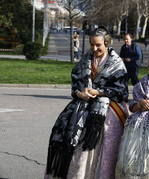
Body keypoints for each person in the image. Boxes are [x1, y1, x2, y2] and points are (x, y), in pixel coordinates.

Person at [44, 27, 129, 179]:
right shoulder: (85, 59)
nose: (94, 48)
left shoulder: (118, 64)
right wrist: (79, 93)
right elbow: (76, 83)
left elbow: (121, 91)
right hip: (83, 104)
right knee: (64, 131)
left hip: (107, 108)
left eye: (98, 45)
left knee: (95, 145)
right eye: (92, 45)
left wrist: (100, 92)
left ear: (107, 43)